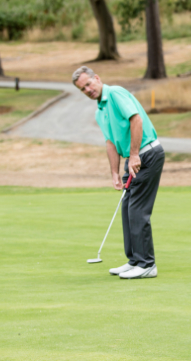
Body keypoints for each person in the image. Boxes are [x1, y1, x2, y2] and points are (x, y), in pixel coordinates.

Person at [72, 66, 165, 280]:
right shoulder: (100, 111)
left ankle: (147, 264)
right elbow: (110, 142)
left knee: (137, 210)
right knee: (127, 209)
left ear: (97, 78)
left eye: (88, 84)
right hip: (133, 159)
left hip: (146, 155)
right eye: (82, 89)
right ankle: (134, 260)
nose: (88, 90)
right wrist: (114, 172)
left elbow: (136, 119)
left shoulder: (115, 93)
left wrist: (133, 155)